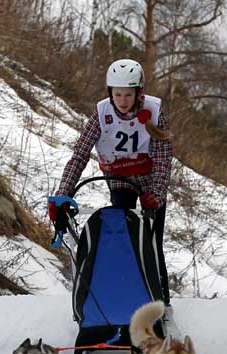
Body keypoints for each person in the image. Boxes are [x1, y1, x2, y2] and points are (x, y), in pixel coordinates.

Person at [49, 58, 173, 306]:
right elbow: (80, 155)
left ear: (138, 93)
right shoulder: (101, 113)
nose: (123, 101)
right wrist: (63, 193)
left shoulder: (155, 112)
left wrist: (156, 195)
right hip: (118, 179)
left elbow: (163, 159)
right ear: (110, 92)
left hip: (149, 179)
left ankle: (161, 300)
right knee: (123, 235)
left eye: (128, 95)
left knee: (152, 239)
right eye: (118, 95)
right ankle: (124, 296)